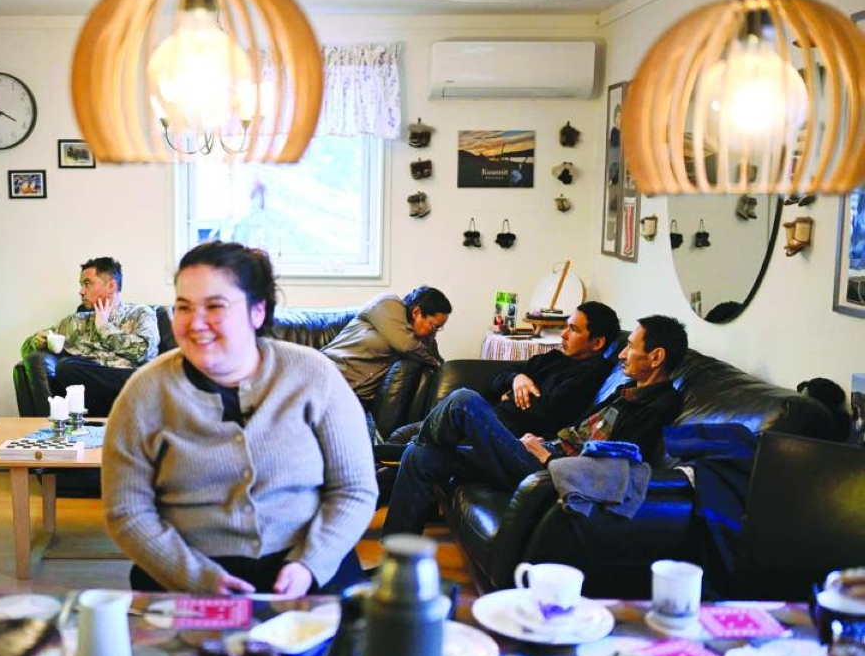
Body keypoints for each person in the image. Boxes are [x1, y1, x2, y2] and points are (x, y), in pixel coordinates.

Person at [102, 241, 378, 596]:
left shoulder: (314, 376)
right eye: (183, 308)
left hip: (312, 567)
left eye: (215, 306)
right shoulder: (144, 393)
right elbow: (126, 511)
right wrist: (196, 578)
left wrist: (310, 563)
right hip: (184, 575)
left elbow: (355, 489)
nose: (195, 323)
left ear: (257, 311)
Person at [383, 314, 687, 537]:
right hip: (543, 451)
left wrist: (548, 456)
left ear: (656, 356)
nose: (622, 353)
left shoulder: (657, 404)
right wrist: (545, 441)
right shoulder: (627, 392)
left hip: (547, 472)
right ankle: (396, 558)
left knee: (464, 400)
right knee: (420, 456)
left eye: (631, 346)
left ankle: (382, 453)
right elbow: (577, 430)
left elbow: (615, 464)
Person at [25, 256, 160, 417]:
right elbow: (28, 347)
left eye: (87, 284)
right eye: (81, 285)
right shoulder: (76, 321)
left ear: (111, 286)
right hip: (93, 392)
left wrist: (103, 327)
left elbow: (143, 351)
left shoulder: (140, 313)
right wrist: (35, 341)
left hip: (133, 386)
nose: (81, 291)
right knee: (66, 368)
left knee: (149, 378)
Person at [321, 286, 452, 404]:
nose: (434, 333)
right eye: (434, 326)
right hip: (326, 374)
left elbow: (440, 365)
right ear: (416, 313)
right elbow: (404, 345)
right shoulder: (387, 304)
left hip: (352, 397)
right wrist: (433, 360)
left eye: (438, 329)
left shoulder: (422, 340)